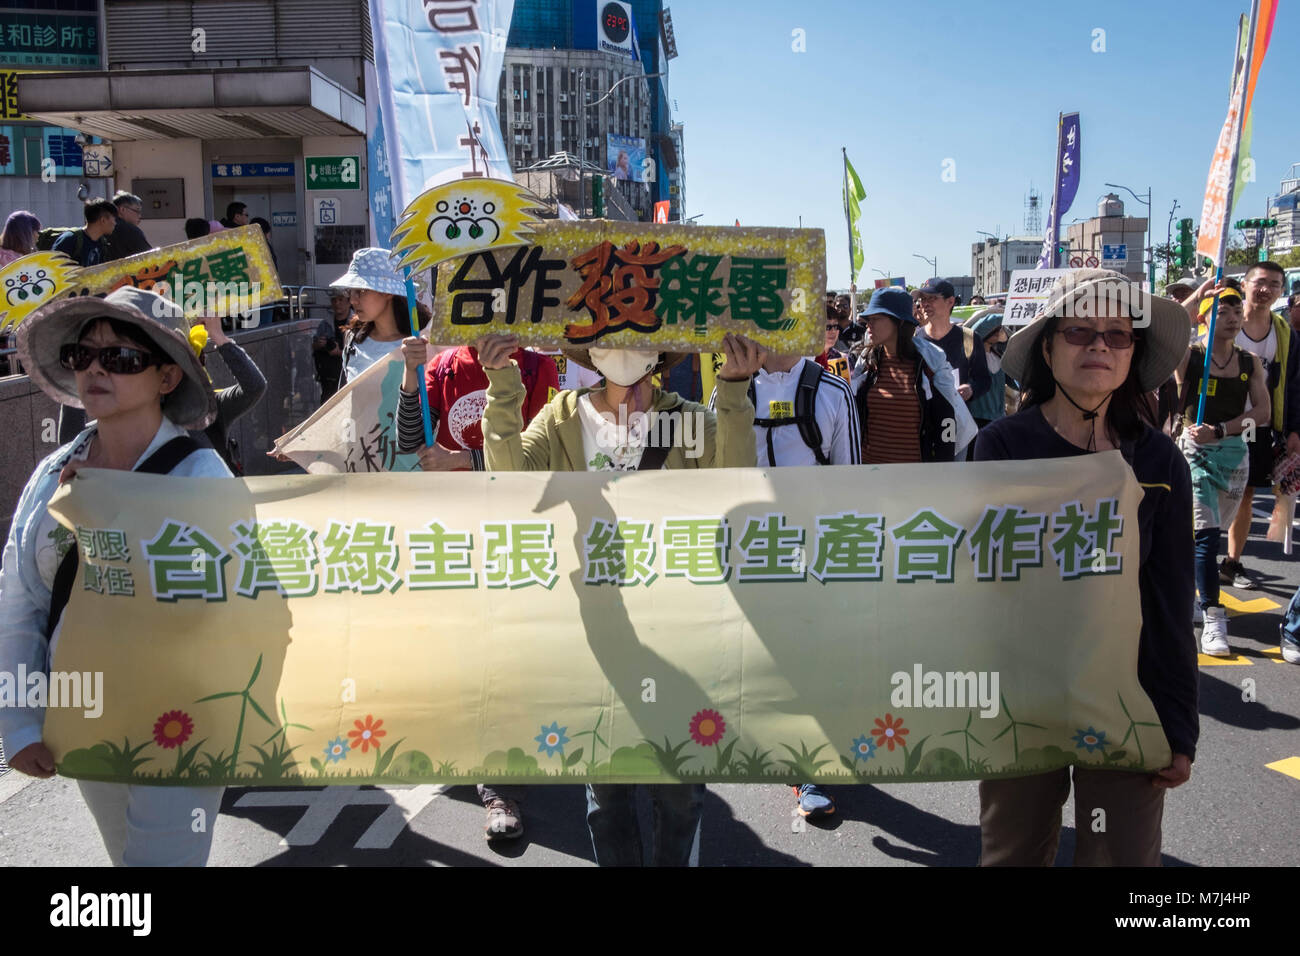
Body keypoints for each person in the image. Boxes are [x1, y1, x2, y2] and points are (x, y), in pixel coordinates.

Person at [480, 332, 761, 865]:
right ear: (590, 351)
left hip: (679, 623)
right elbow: (510, 481)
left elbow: (736, 481)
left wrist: (733, 391)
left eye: (639, 336)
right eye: (610, 337)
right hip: (594, 625)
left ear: (660, 353)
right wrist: (502, 390)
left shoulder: (691, 419)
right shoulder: (561, 417)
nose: (625, 348)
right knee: (604, 796)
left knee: (680, 788)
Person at [974, 269, 1196, 866]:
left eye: (1118, 336)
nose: (1099, 345)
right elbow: (977, 588)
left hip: (1129, 700)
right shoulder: (1000, 448)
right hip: (1021, 700)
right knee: (1011, 854)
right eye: (1080, 331)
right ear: (1048, 347)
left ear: (1132, 355)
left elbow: (1172, 601)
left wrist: (1179, 724)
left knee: (1120, 858)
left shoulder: (1159, 460)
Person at [2, 287, 229, 866]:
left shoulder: (203, 477)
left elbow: (234, 606)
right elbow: (21, 598)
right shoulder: (53, 471)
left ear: (167, 378)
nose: (97, 370)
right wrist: (22, 721)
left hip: (182, 717)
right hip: (82, 710)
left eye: (122, 358)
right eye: (85, 355)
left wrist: (112, 520)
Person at [745, 327, 858, 821]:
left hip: (813, 553)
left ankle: (809, 760)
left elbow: (851, 483)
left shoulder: (833, 391)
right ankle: (792, 753)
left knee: (811, 656)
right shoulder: (731, 390)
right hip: (753, 550)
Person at [1174, 288, 1269, 655]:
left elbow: (1262, 412)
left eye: (1235, 310)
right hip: (1194, 451)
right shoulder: (1191, 356)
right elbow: (1170, 330)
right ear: (1205, 317)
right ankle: (1213, 614)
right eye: (1220, 310)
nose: (1230, 317)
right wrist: (1198, 293)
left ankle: (1190, 592)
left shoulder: (1250, 362)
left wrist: (1222, 430)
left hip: (1233, 454)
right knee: (1206, 536)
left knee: (1202, 535)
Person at [1221, 262, 1300, 590]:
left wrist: (1294, 429)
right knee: (1206, 495)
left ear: (1282, 291)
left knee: (1246, 493)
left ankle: (1232, 562)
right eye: (1261, 282)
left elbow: (1294, 384)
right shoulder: (1223, 325)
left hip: (1261, 425)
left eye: (1275, 284)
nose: (1266, 289)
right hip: (1217, 424)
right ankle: (1193, 560)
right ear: (1245, 284)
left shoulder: (1285, 334)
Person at [396, 337, 559, 475]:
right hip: (452, 501)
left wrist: (458, 459)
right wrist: (410, 370)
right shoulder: (443, 364)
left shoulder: (540, 368)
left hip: (511, 499)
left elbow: (543, 452)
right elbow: (410, 441)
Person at [849, 286, 976, 463]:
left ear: (899, 322)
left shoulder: (931, 361)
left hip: (915, 477)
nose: (869, 325)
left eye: (876, 318)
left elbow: (948, 418)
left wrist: (944, 467)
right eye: (868, 319)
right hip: (871, 473)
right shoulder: (866, 361)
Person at [191, 313, 268, 475]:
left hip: (216, 496)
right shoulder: (152, 408)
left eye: (198, 358)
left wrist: (219, 338)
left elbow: (255, 386)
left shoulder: (213, 405)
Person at [329, 247, 411, 387]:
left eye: (361, 290)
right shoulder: (352, 339)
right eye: (351, 291)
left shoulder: (419, 344)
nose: (353, 300)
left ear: (388, 292)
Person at [914, 277, 991, 413]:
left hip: (957, 422)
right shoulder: (915, 340)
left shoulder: (970, 338)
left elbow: (984, 380)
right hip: (922, 422)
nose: (925, 304)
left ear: (950, 301)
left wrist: (971, 389)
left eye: (931, 298)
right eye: (922, 299)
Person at [967, 309, 1011, 429]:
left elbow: (1016, 380)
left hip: (998, 417)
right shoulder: (970, 357)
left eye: (1000, 329)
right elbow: (982, 327)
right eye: (996, 330)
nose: (999, 332)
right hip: (976, 417)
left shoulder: (1000, 357)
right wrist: (1005, 313)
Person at [51, 199, 117, 268]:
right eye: (114, 219)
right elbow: (52, 268)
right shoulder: (70, 239)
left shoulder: (102, 243)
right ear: (103, 220)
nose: (115, 223)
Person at [313, 289, 351, 403]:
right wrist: (319, 344)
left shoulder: (356, 322)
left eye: (340, 300)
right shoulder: (325, 323)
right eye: (334, 300)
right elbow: (313, 346)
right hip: (327, 374)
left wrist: (339, 352)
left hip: (347, 374)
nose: (337, 303)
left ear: (349, 302)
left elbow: (361, 351)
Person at [103, 191, 152, 261]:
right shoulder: (131, 230)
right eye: (137, 211)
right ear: (122, 209)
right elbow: (150, 256)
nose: (139, 216)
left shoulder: (102, 227)